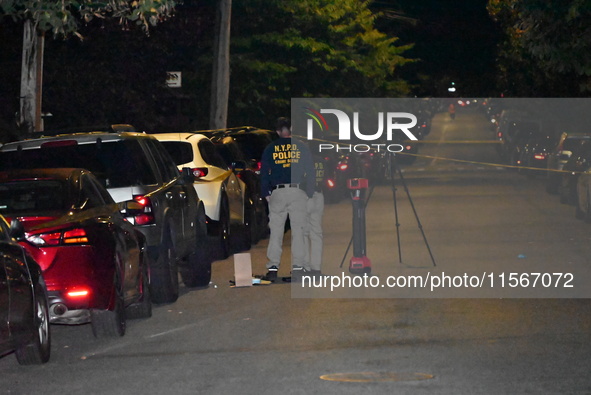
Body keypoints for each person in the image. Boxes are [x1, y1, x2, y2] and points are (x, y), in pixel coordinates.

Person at [260, 117, 315, 281]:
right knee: (298, 232)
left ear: (277, 131)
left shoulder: (270, 148)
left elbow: (264, 173)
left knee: (276, 232)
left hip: (278, 192)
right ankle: (298, 269)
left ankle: (273, 268)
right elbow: (310, 172)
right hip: (297, 192)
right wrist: (309, 193)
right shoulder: (302, 147)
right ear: (291, 128)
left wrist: (266, 193)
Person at [303, 154, 326, 276]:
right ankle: (316, 267)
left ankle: (305, 266)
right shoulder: (321, 160)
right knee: (317, 233)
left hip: (305, 196)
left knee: (303, 233)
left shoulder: (302, 159)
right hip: (319, 195)